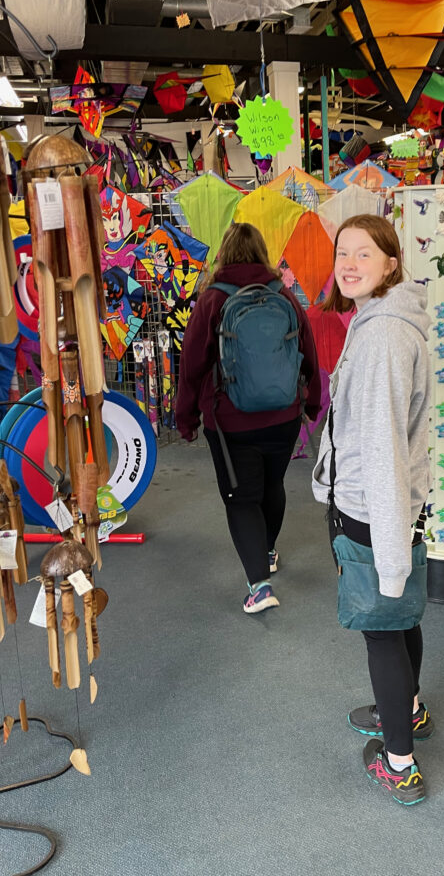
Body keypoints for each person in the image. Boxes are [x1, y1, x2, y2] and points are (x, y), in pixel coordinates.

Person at [312, 214, 433, 806]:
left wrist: (386, 551)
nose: (350, 263)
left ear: (392, 264)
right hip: (386, 501)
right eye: (343, 253)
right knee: (402, 614)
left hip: (373, 504)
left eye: (366, 253)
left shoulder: (383, 335)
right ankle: (407, 710)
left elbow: (383, 451)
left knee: (383, 623)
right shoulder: (378, 320)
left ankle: (399, 762)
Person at [177, 222, 322, 614]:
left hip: (229, 422)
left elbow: (191, 366)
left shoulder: (211, 301)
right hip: (284, 415)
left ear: (224, 253)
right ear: (262, 252)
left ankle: (259, 585)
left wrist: (186, 418)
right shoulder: (285, 297)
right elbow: (309, 354)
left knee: (241, 498)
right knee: (272, 484)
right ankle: (268, 550)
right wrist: (311, 405)